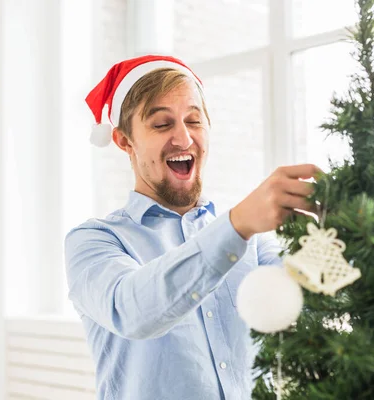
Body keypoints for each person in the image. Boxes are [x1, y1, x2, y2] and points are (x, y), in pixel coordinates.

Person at [64, 54, 321, 400]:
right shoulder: (94, 240)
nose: (184, 138)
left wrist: (354, 225)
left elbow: (314, 302)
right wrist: (237, 224)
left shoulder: (253, 241)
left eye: (194, 121)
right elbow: (133, 311)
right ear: (125, 141)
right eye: (161, 124)